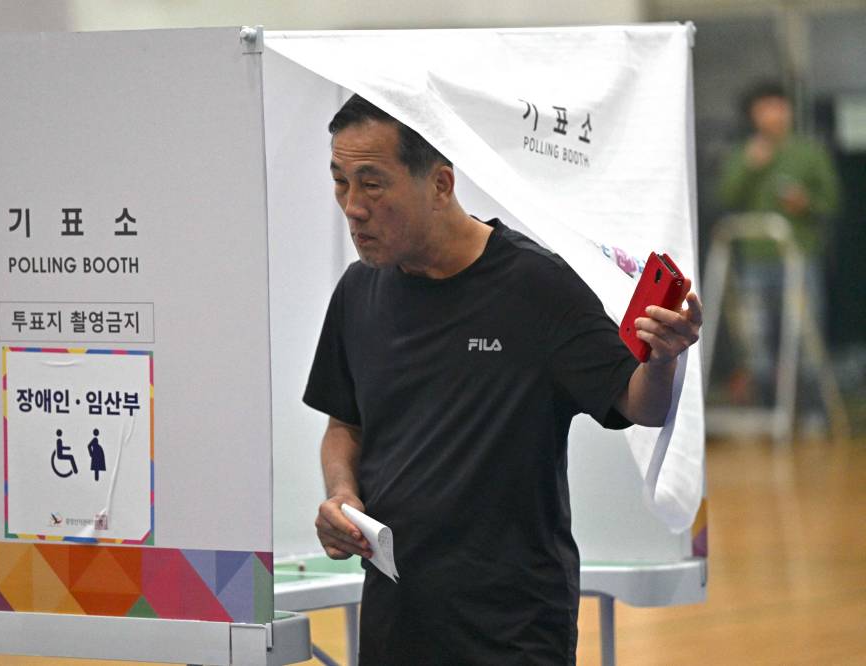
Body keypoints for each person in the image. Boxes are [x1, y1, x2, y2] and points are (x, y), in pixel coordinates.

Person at [304, 95, 703, 665]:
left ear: (440, 185)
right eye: (341, 182)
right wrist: (341, 494)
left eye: (373, 183)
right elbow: (344, 422)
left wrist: (662, 359)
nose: (352, 207)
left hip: (513, 627)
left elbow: (638, 403)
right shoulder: (357, 292)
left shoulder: (535, 285)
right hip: (397, 617)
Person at [716, 81, 840, 404]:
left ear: (788, 109)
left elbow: (833, 202)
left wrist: (806, 202)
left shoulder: (808, 152)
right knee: (757, 343)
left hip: (798, 257)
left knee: (805, 338)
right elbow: (725, 197)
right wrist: (749, 166)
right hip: (755, 260)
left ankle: (814, 412)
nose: (771, 114)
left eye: (777, 106)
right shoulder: (743, 153)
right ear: (754, 115)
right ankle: (767, 413)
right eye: (764, 108)